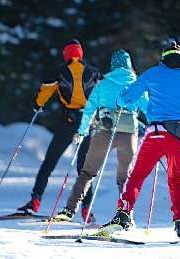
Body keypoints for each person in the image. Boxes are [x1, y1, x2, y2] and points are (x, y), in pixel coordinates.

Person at [104, 41, 180, 239]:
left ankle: (124, 214)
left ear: (164, 57)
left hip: (156, 134)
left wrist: (120, 99)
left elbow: (126, 98)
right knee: (176, 178)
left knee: (138, 175)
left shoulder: (153, 73)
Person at [52, 49, 148, 224]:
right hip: (128, 133)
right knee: (124, 177)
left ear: (113, 65)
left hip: (104, 130)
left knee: (88, 172)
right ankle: (125, 215)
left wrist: (81, 131)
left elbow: (89, 110)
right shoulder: (137, 84)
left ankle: (69, 209)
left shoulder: (103, 84)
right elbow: (148, 108)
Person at [17, 39, 103, 220]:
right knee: (84, 169)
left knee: (49, 162)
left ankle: (35, 201)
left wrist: (37, 105)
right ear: (80, 54)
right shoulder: (94, 72)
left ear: (66, 54)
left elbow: (44, 92)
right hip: (88, 123)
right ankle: (86, 209)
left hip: (68, 121)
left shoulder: (59, 72)